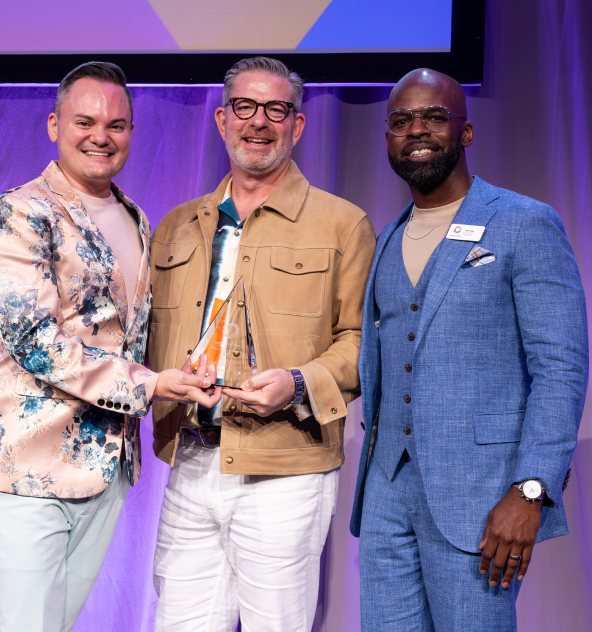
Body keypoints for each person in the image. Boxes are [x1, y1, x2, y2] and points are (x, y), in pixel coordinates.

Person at [0, 61, 220, 632]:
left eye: (117, 124)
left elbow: (130, 333)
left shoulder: (135, 217)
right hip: (28, 469)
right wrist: (151, 385)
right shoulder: (21, 213)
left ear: (132, 132)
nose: (100, 136)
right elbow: (35, 341)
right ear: (55, 124)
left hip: (106, 470)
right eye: (85, 121)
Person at [350, 68, 589, 631]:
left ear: (466, 132)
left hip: (481, 497)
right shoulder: (387, 237)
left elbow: (561, 370)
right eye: (401, 121)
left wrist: (531, 489)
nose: (417, 131)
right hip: (386, 494)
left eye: (434, 117)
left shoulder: (523, 223)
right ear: (387, 137)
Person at [148, 56, 376, 631]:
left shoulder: (342, 224)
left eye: (276, 109)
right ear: (222, 120)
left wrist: (298, 383)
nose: (259, 122)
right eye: (245, 108)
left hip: (286, 467)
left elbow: (362, 342)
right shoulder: (176, 225)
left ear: (297, 126)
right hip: (194, 459)